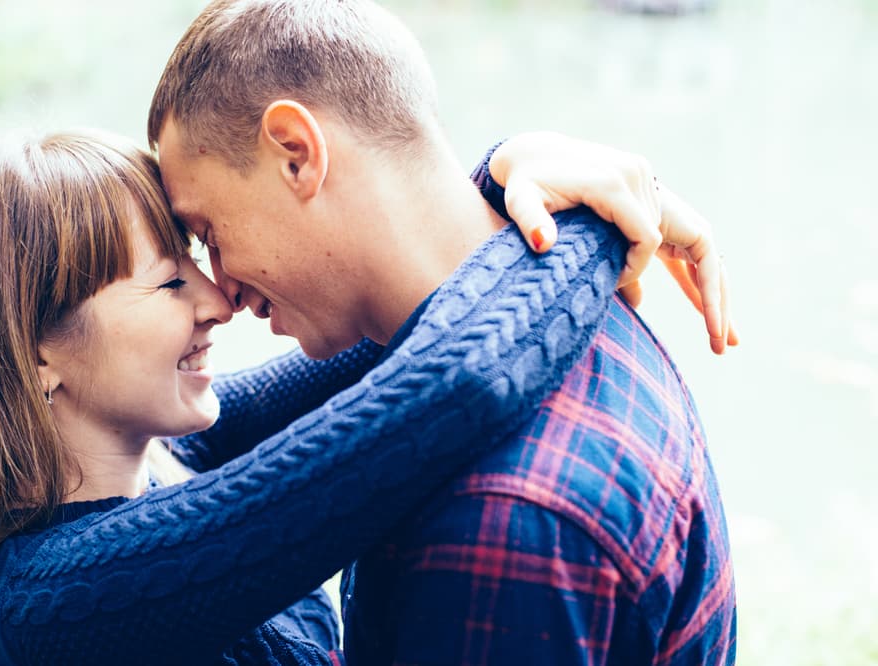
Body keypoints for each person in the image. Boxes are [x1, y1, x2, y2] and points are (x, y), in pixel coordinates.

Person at [0, 125, 698, 666]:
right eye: (170, 281)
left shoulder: (172, 455)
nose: (217, 301)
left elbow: (403, 320)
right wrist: (603, 227)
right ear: (35, 354)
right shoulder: (45, 605)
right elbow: (451, 390)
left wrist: (500, 178)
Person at [147, 1, 737, 664]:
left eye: (209, 234)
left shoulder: (492, 523)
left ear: (296, 154)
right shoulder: (567, 295)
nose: (220, 289)